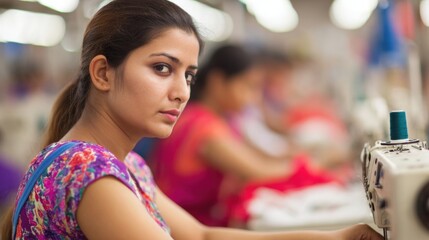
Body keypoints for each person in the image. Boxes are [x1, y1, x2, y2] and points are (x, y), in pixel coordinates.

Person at [1, 0, 382, 239]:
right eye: (162, 68)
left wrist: (337, 238)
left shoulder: (125, 165)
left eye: (188, 75)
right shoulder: (90, 173)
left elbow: (201, 235)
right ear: (102, 73)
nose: (182, 91)